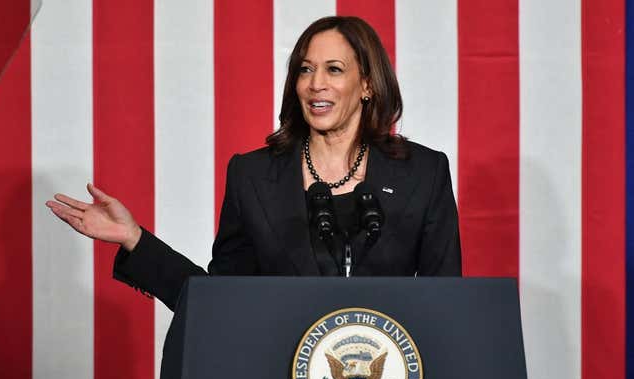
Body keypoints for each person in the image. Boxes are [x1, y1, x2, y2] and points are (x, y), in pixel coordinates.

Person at [46, 16, 461, 311]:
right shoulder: (253, 176)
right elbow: (220, 300)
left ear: (368, 84)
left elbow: (448, 305)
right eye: (305, 70)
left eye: (334, 69)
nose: (316, 83)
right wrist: (135, 239)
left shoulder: (423, 174)